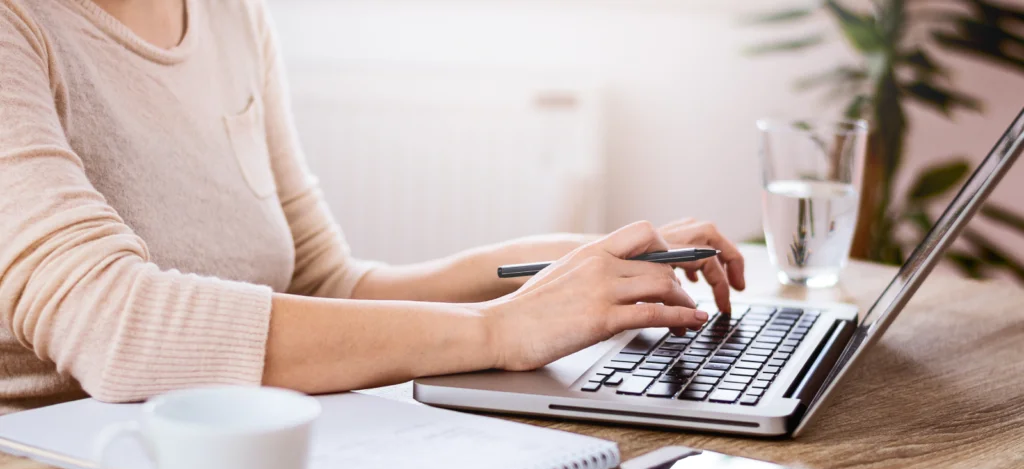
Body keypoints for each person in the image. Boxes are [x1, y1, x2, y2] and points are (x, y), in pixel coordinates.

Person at [0, 0, 745, 413]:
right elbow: (117, 325)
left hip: (230, 456)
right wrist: (499, 329)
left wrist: (587, 263)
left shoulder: (232, 16)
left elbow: (324, 281)